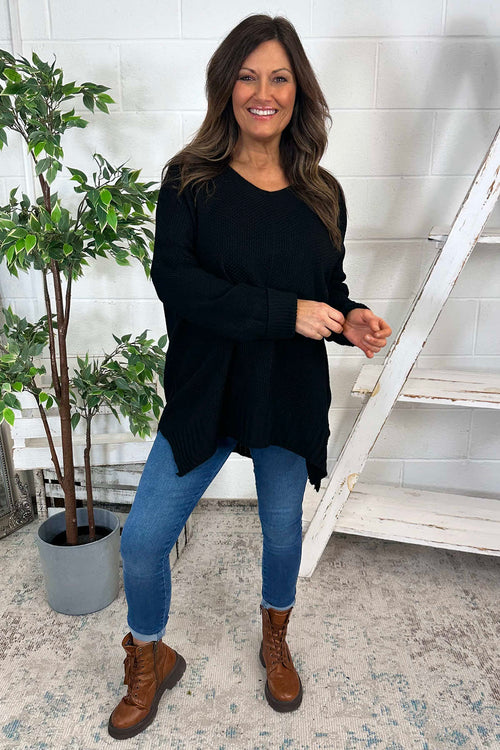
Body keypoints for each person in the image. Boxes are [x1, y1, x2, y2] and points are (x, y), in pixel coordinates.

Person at [108, 13, 391, 740]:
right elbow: (180, 286)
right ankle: (150, 656)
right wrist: (283, 313)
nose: (263, 93)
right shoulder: (189, 181)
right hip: (206, 389)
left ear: (299, 91)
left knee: (282, 534)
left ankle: (275, 637)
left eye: (280, 78)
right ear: (225, 86)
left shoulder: (322, 191)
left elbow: (324, 290)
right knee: (142, 542)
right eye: (248, 76)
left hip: (286, 393)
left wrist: (350, 316)